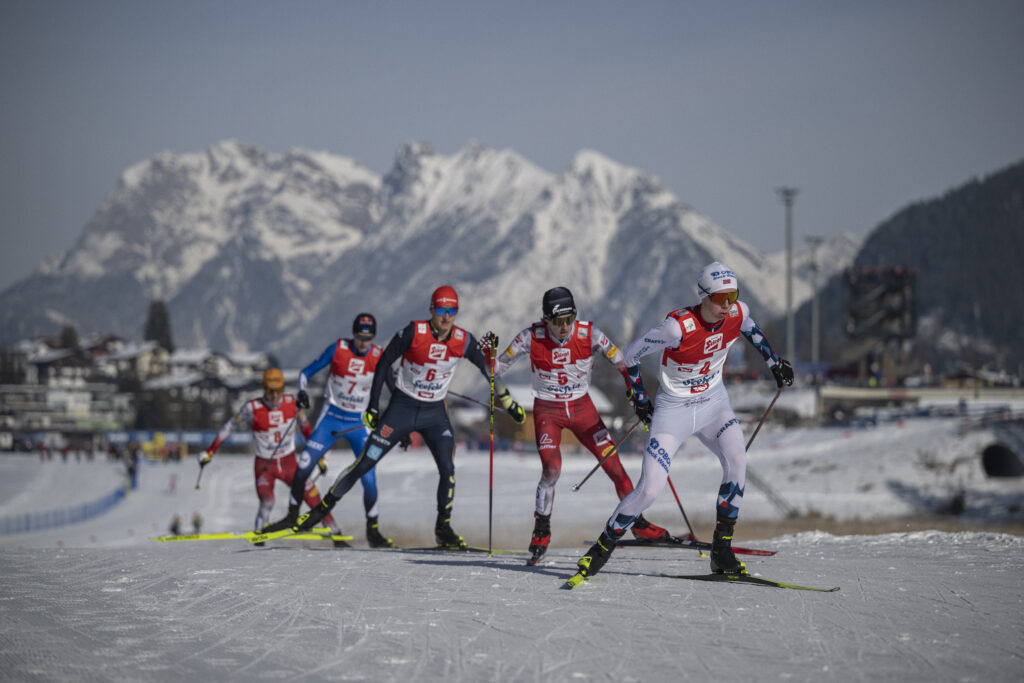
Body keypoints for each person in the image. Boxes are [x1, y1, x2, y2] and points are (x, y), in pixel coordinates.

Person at [575, 262, 794, 580]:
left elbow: (753, 331)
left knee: (737, 461)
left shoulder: (738, 314)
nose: (727, 305)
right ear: (703, 296)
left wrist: (776, 363)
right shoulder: (678, 328)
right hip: (673, 412)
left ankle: (722, 552)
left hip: (714, 405)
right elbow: (631, 354)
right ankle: (600, 549)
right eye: (720, 298)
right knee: (649, 490)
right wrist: (639, 396)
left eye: (732, 296)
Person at [274, 285, 526, 548]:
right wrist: (373, 406)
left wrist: (508, 402)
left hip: (434, 413)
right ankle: (320, 512)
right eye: (441, 310)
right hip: (402, 409)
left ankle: (443, 528)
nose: (446, 317)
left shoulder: (463, 339)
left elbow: (488, 370)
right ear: (432, 309)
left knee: (448, 470)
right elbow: (384, 362)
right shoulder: (413, 332)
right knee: (364, 464)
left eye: (452, 311)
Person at [495, 286, 672, 564]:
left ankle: (637, 524)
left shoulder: (590, 334)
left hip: (583, 410)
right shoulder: (530, 336)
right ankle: (542, 529)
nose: (564, 327)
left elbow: (622, 362)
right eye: (557, 321)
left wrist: (634, 391)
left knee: (615, 467)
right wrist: (486, 358)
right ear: (546, 320)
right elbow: (495, 368)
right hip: (547, 411)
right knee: (552, 469)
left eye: (569, 319)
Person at [261, 313, 397, 548]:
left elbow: (393, 387)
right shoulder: (338, 348)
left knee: (369, 480)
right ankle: (293, 514)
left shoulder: (378, 356)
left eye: (368, 337)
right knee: (303, 467)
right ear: (353, 334)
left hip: (358, 423)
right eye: (359, 336)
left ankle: (373, 530)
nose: (363, 342)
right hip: (331, 419)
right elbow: (305, 373)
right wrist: (302, 392)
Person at [199, 367, 345, 544]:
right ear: (264, 389)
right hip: (265, 466)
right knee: (267, 501)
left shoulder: (293, 403)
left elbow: (307, 430)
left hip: (289, 463)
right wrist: (210, 451)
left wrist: (319, 456)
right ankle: (260, 535)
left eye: (278, 391)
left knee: (313, 496)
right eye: (270, 391)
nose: (275, 396)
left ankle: (336, 533)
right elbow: (229, 427)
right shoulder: (252, 407)